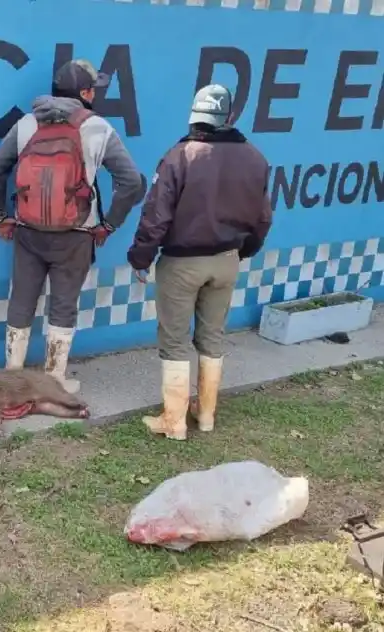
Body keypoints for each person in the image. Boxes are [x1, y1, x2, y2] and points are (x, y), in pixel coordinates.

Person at [0, 59, 146, 392]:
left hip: (28, 231)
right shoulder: (97, 128)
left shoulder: (27, 124)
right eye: (93, 89)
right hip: (76, 234)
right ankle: (54, 381)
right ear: (85, 93)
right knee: (63, 305)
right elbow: (131, 181)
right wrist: (109, 224)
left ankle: (12, 378)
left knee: (21, 299)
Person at [127, 84, 273, 441]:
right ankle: (206, 415)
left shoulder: (181, 156)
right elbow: (263, 218)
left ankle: (173, 421)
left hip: (182, 263)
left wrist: (141, 257)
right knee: (212, 336)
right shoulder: (255, 158)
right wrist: (243, 252)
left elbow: (155, 217)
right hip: (226, 260)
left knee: (175, 340)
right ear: (230, 116)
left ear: (195, 117)